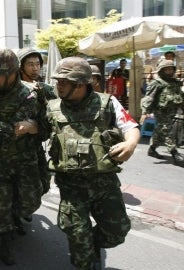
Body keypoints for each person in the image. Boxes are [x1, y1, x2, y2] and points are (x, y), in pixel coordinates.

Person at [47, 57, 140, 270]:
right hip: (71, 185)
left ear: (79, 84)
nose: (58, 85)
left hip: (104, 183)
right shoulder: (52, 107)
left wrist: (131, 144)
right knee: (78, 239)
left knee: (117, 231)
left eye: (63, 81)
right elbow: (38, 129)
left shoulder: (107, 102)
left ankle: (93, 243)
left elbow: (130, 126)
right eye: (58, 81)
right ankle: (85, 253)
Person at [0, 48, 49, 265]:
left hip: (26, 160)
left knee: (30, 202)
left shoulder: (29, 94)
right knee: (3, 202)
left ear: (15, 71)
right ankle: (5, 240)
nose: (0, 79)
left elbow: (18, 130)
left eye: (4, 74)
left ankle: (14, 216)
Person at [15, 47, 57, 229]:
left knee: (44, 185)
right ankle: (14, 213)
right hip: (13, 149)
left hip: (35, 146)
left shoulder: (45, 90)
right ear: (20, 67)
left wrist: (37, 127)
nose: (35, 68)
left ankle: (21, 209)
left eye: (38, 64)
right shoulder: (12, 89)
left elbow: (58, 114)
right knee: (15, 187)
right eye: (30, 64)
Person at [140, 59, 184, 166]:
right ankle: (174, 153)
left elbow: (180, 96)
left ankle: (152, 149)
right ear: (161, 70)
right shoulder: (157, 83)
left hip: (172, 110)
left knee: (159, 131)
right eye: (166, 69)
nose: (169, 71)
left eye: (171, 69)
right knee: (167, 130)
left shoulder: (174, 82)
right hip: (161, 111)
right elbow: (149, 98)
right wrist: (144, 113)